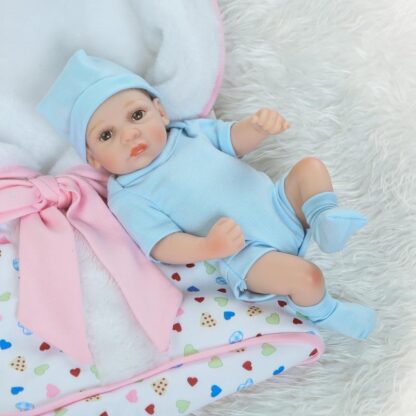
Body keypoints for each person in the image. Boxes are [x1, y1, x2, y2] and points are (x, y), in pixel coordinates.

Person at [38, 50, 376, 340]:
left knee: (310, 168)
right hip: (247, 251)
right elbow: (162, 244)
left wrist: (256, 128)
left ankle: (323, 219)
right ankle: (327, 311)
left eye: (137, 115)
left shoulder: (189, 132)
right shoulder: (127, 194)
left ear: (160, 111)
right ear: (94, 158)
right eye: (107, 135)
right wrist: (209, 247)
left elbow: (233, 140)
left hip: (279, 205)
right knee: (307, 277)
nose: (129, 135)